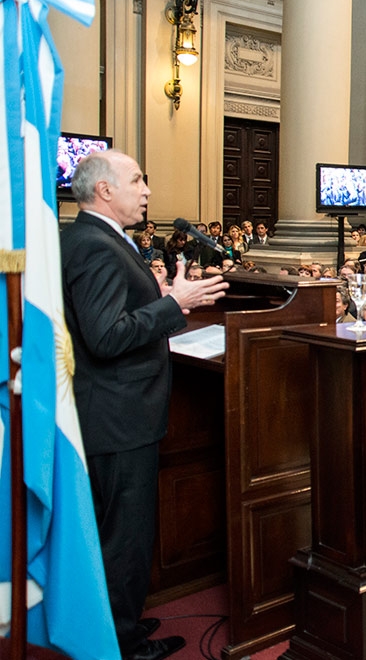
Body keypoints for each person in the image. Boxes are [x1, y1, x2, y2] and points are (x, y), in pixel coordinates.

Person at [62, 150, 228, 660]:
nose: (147, 189)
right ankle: (120, 644)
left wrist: (156, 296)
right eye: (137, 180)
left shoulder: (97, 237)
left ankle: (119, 621)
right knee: (122, 535)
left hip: (117, 410)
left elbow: (112, 312)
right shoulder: (95, 245)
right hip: (117, 414)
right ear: (105, 190)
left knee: (120, 529)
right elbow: (106, 337)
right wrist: (174, 304)